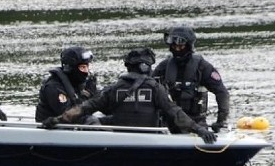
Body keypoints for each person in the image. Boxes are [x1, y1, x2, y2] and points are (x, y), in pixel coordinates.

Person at [42, 47, 217, 144]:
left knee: (95, 119)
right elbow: (174, 112)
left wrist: (57, 120)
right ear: (146, 67)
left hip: (119, 138)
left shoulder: (113, 89)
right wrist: (200, 129)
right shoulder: (155, 88)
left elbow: (85, 108)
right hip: (151, 138)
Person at [152, 26, 230, 132]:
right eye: (174, 46)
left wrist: (221, 121)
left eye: (180, 46)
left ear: (188, 46)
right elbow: (150, 86)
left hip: (196, 122)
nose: (177, 49)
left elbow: (222, 93)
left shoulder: (203, 67)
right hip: (168, 121)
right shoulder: (164, 67)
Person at [35, 46, 99, 124]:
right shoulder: (53, 87)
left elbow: (98, 105)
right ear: (70, 68)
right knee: (92, 121)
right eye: (82, 67)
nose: (86, 71)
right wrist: (87, 94)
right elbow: (68, 114)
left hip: (71, 129)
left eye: (87, 67)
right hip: (52, 130)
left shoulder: (77, 83)